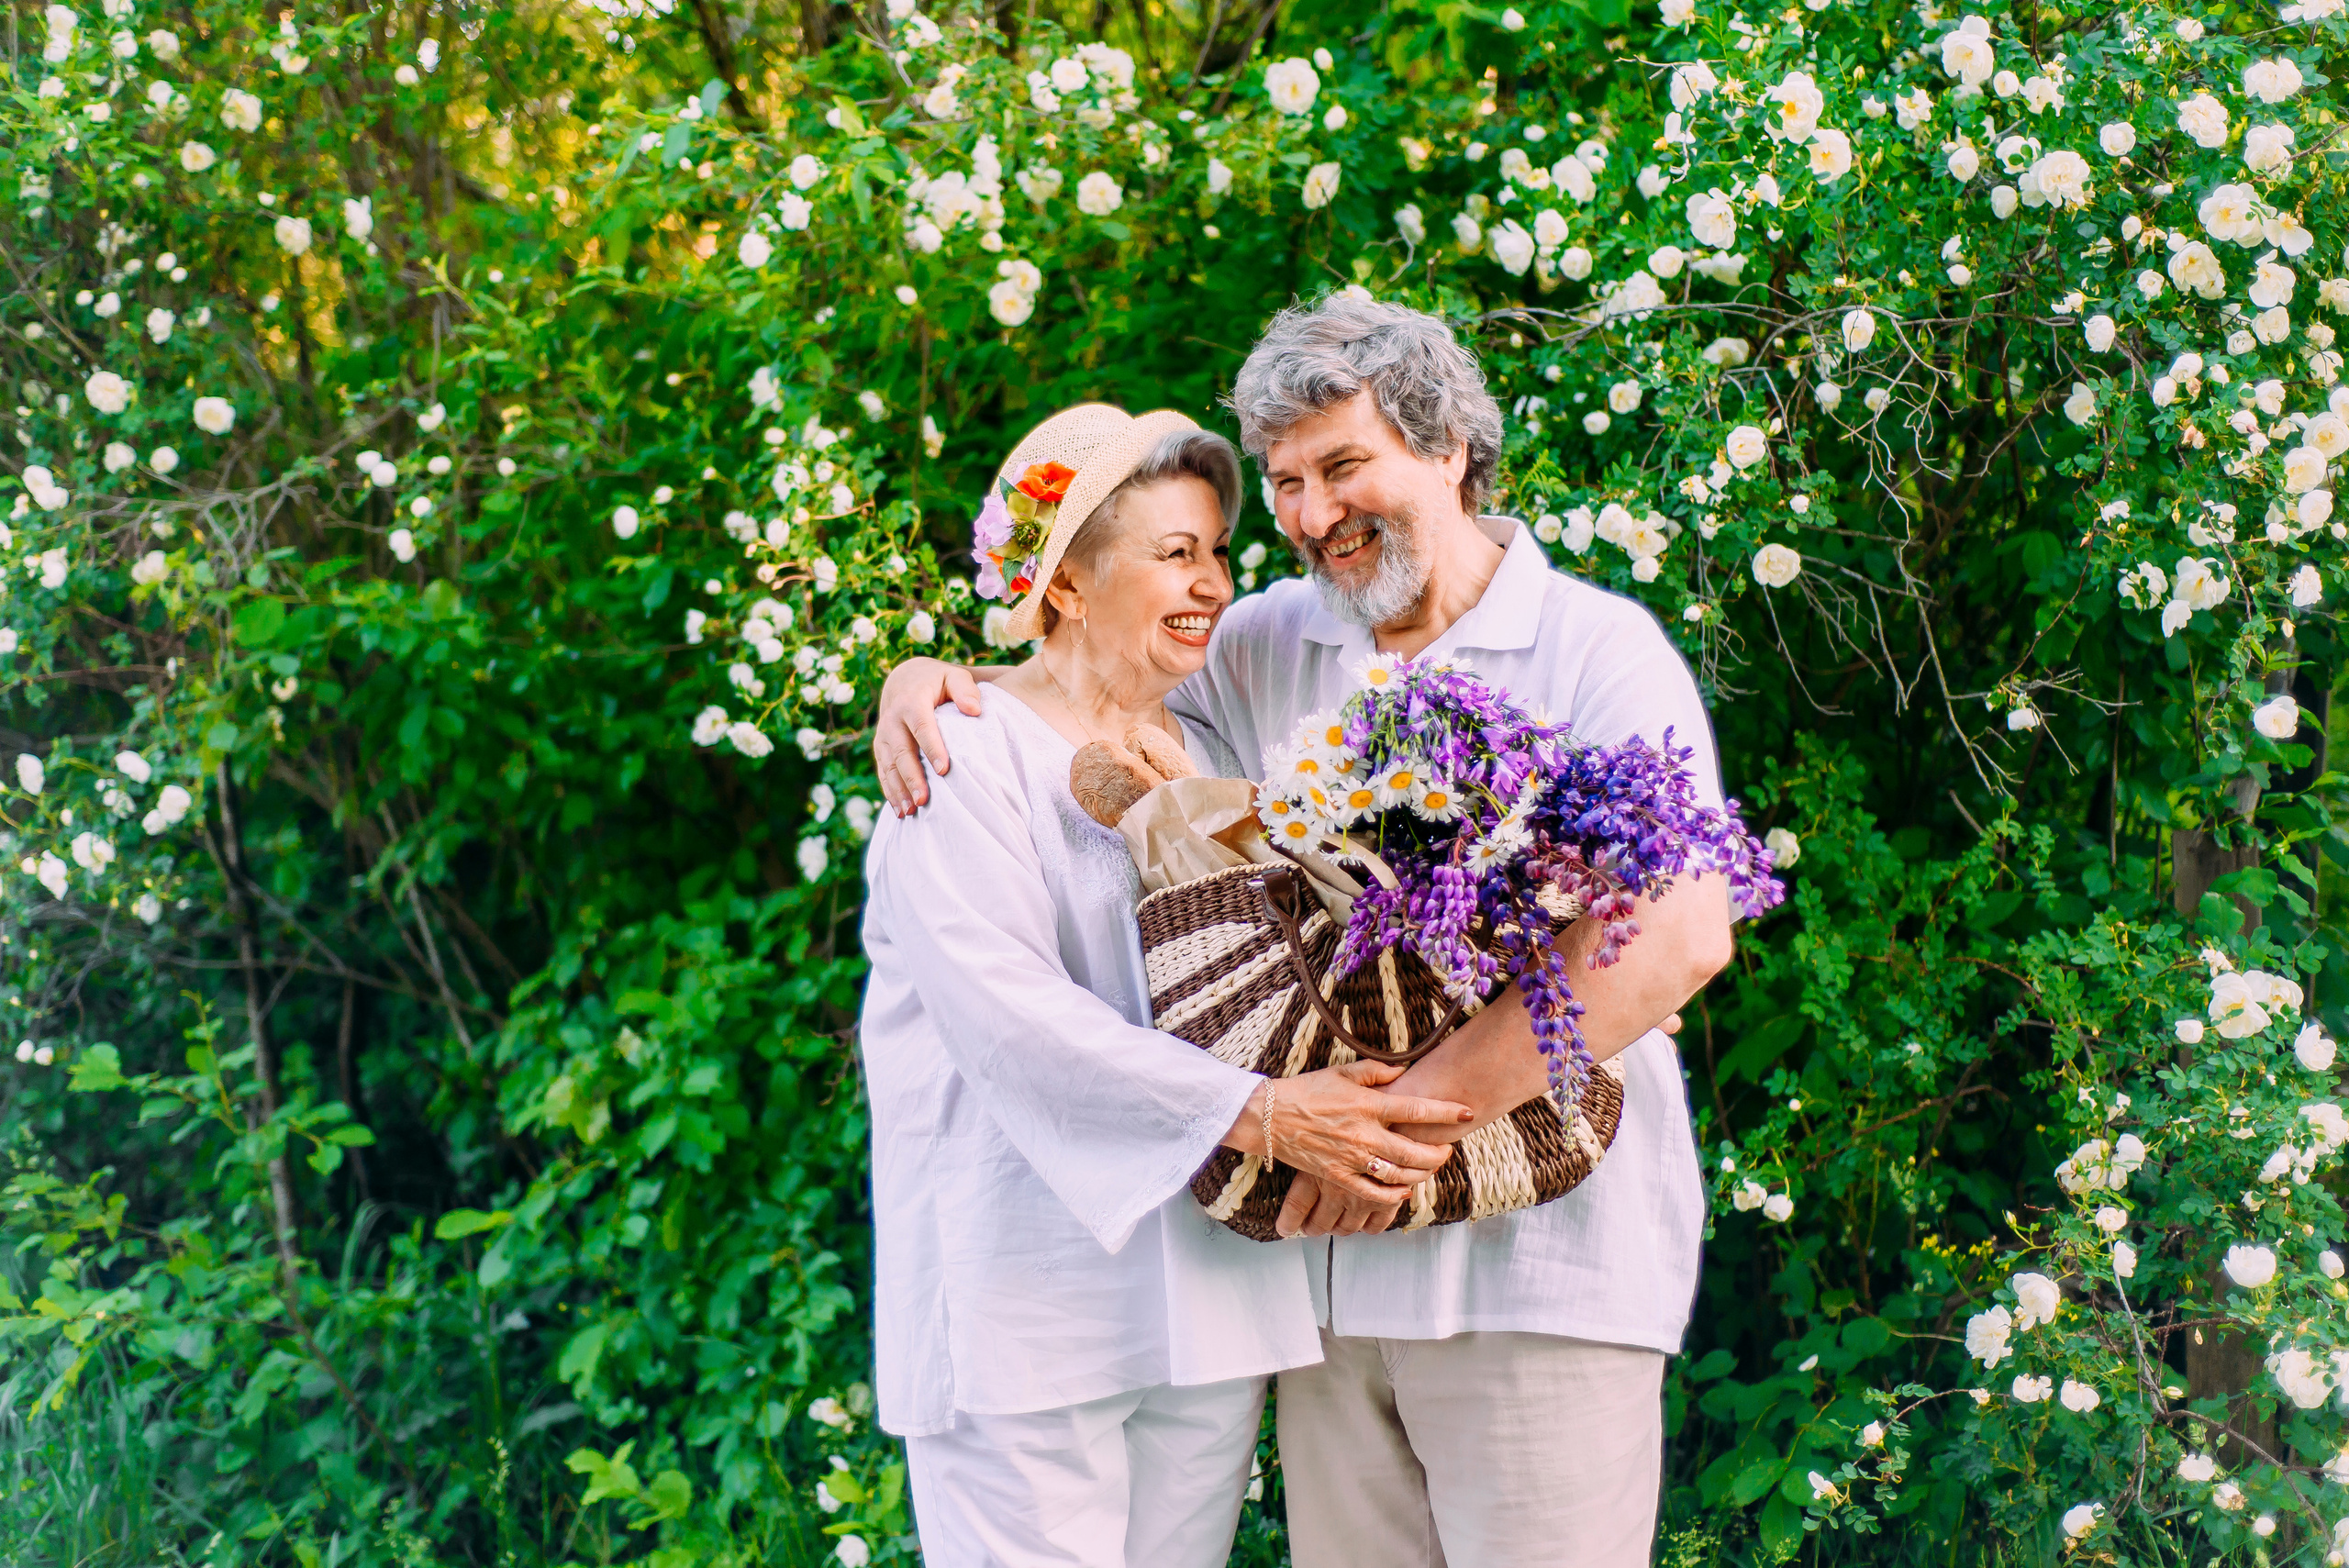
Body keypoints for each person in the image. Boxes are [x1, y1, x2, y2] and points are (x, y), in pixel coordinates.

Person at [873, 296, 1736, 1567]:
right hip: (1324, 1299)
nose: (1310, 513)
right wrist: (934, 681)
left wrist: (1388, 1125)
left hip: (1534, 1272)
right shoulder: (1274, 643)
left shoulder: (1591, 649)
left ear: (1448, 447)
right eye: (1284, 482)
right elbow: (1086, 667)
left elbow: (1676, 937)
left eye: (1341, 466)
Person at [858, 399, 1475, 1568]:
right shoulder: (962, 754)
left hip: (1203, 1293)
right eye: (1174, 552)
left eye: (1218, 552)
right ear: (1070, 585)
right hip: (1027, 1299)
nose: (1212, 581)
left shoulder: (1213, 761)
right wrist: (1267, 1115)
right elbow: (1011, 1019)